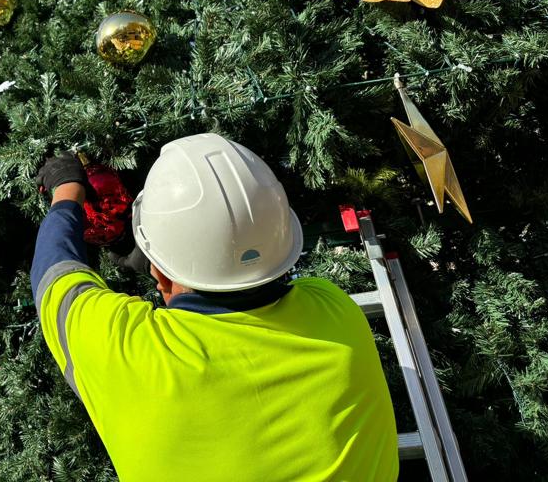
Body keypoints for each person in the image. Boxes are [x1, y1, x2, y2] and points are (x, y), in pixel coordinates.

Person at [32, 133, 398, 481]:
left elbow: (54, 272)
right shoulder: (334, 307)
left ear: (157, 271)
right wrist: (168, 269)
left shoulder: (130, 353)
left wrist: (66, 189)